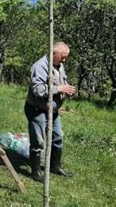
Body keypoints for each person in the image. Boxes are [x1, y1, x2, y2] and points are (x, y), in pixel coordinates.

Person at [25, 42, 76, 182]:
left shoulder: (59, 65)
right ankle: (35, 172)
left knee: (58, 137)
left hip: (52, 110)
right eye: (63, 57)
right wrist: (59, 89)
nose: (64, 60)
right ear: (54, 53)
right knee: (38, 141)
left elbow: (61, 82)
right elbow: (38, 90)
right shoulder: (40, 66)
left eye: (66, 57)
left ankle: (55, 166)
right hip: (37, 110)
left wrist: (67, 91)